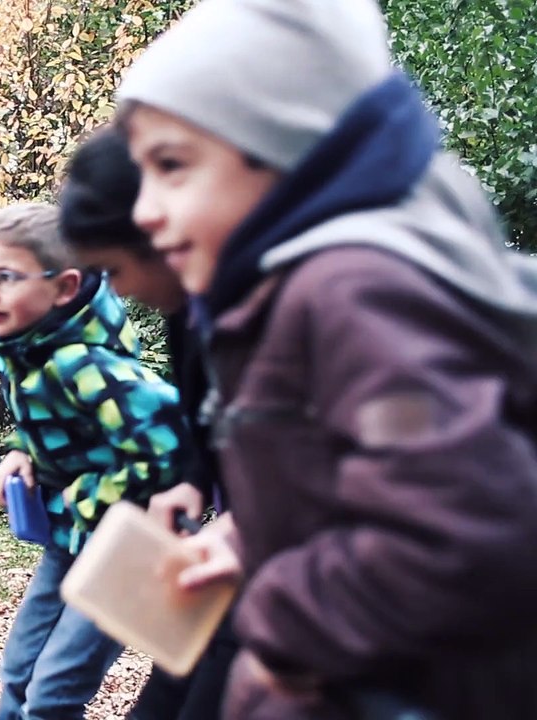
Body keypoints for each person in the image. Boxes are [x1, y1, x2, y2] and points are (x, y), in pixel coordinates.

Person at [118, 1, 537, 717]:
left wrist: (275, 615)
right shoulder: (297, 290)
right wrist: (254, 535)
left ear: (287, 150)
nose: (144, 212)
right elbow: (367, 476)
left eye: (172, 166)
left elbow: (458, 534)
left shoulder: (351, 290)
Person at [0, 203, 188, 720]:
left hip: (127, 554)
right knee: (19, 671)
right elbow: (51, 430)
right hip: (72, 542)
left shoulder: (86, 364)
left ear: (65, 287)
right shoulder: (28, 347)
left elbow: (175, 449)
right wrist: (21, 453)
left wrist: (84, 495)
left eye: (7, 277)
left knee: (52, 696)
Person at [59, 126, 236, 720]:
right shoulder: (188, 312)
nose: (119, 291)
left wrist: (248, 529)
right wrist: (192, 481)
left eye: (111, 269)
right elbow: (203, 424)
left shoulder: (271, 308)